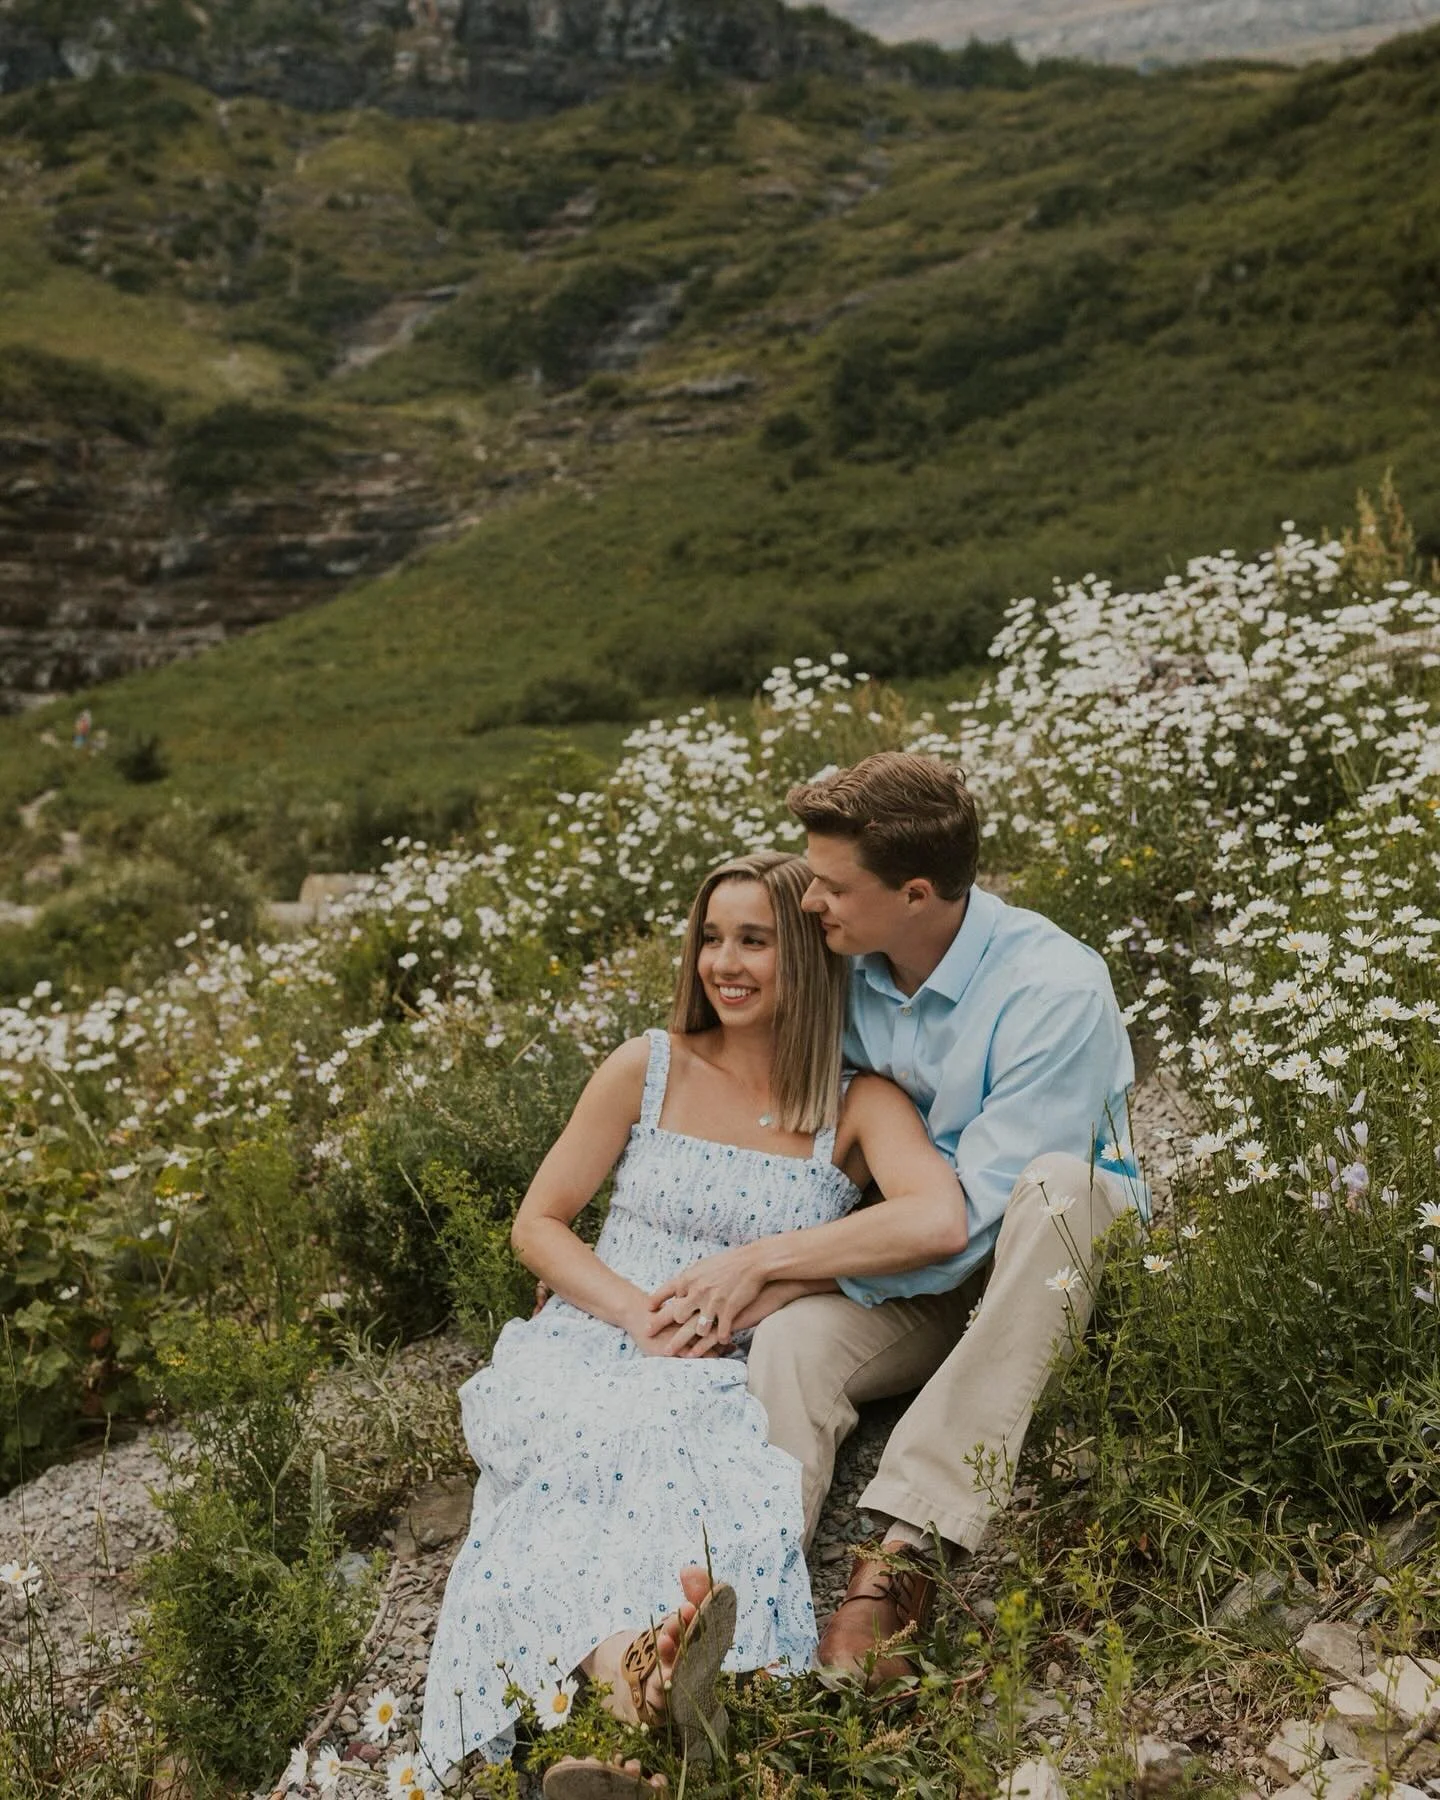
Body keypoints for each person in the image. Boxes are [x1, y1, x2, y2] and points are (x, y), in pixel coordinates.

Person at [419, 850, 970, 1797]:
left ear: (807, 953)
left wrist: (776, 1271)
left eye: (755, 940)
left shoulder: (854, 1103)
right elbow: (538, 1221)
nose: (725, 962)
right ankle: (637, 1699)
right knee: (575, 1473)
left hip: (724, 1363)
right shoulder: (650, 1064)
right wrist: (634, 1311)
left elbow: (936, 1217)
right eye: (711, 939)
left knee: (703, 1477)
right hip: (594, 1340)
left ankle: (632, 1718)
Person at [653, 753, 1142, 1686]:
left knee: (1058, 1188)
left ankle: (904, 1552)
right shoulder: (847, 971)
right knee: (792, 1343)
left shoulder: (1054, 989)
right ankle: (737, 1617)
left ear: (917, 893)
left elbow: (968, 1224)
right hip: (913, 1272)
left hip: (1049, 1265)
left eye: (833, 886)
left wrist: (777, 1262)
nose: (810, 904)